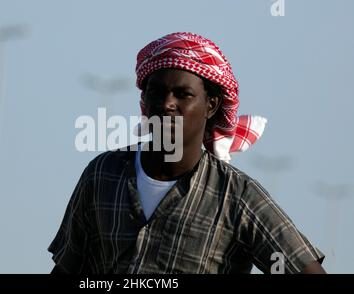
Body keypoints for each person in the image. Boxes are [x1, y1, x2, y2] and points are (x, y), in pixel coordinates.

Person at [48, 32, 326, 274]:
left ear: (211, 105)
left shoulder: (237, 197)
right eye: (157, 92)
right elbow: (67, 268)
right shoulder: (103, 175)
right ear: (144, 101)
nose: (167, 104)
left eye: (183, 94)